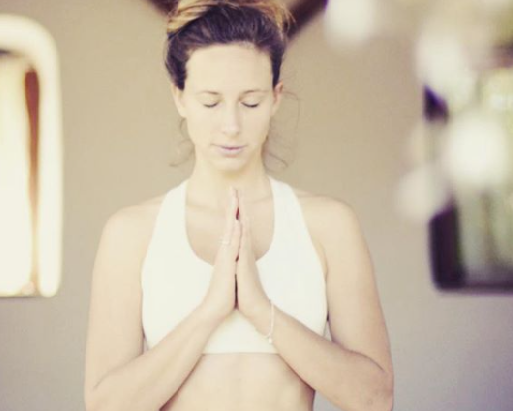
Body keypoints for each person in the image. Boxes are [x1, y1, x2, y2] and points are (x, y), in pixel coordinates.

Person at [84, 0, 394, 410]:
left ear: (276, 98)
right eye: (210, 102)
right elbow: (105, 406)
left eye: (250, 102)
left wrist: (260, 310)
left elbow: (374, 399)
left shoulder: (329, 226)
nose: (231, 125)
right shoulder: (131, 234)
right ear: (179, 97)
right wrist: (210, 312)